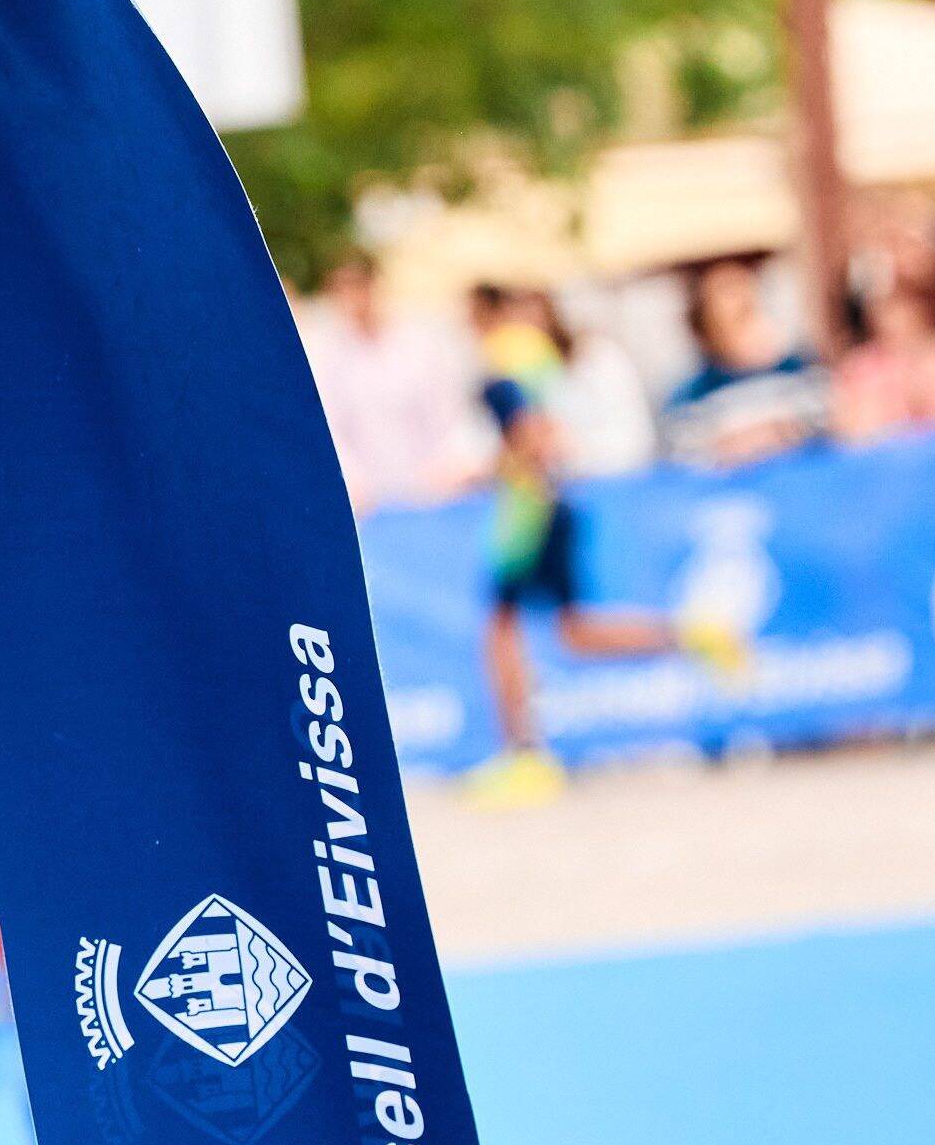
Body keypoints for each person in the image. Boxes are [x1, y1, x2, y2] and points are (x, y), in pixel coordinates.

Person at [465, 288, 740, 808]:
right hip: (550, 505)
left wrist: (492, 471)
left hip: (527, 513)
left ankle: (525, 755)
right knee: (576, 632)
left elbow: (531, 434)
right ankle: (689, 634)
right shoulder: (541, 356)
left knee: (501, 631)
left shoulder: (505, 354)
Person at [296, 250, 477, 512]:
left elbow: (451, 413)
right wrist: (351, 481)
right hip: (366, 504)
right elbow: (329, 426)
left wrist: (450, 465)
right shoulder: (325, 351)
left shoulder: (420, 343)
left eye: (358, 285)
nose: (352, 297)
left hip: (431, 494)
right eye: (342, 287)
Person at [660, 255, 830, 467]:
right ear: (705, 331)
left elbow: (831, 428)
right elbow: (683, 463)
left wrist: (781, 431)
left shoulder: (798, 371)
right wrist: (728, 448)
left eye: (750, 307)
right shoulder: (692, 396)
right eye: (736, 318)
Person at [834, 273, 935, 440]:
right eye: (882, 308)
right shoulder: (861, 366)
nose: (891, 319)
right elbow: (849, 433)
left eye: (902, 307)